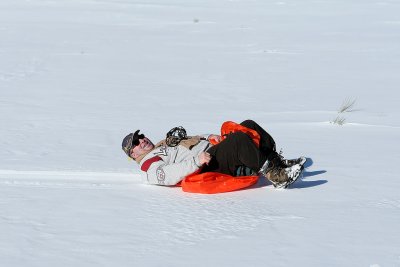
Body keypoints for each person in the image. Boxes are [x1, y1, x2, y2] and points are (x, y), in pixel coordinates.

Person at [121, 120, 305, 189]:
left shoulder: (162, 144)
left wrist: (208, 136)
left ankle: (277, 162)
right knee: (238, 140)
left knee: (249, 125)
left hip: (211, 151)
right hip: (206, 165)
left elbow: (189, 139)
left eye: (141, 136)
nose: (142, 140)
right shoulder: (148, 163)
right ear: (133, 153)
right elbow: (165, 175)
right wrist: (196, 161)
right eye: (136, 143)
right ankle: (276, 175)